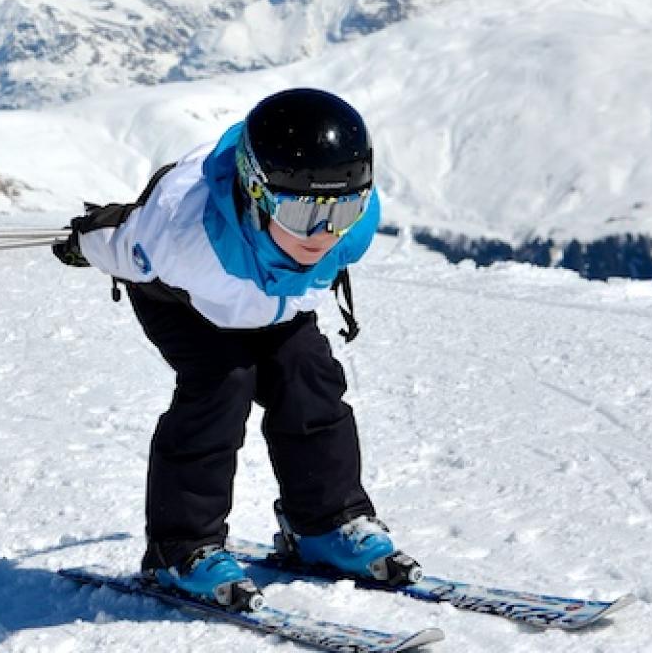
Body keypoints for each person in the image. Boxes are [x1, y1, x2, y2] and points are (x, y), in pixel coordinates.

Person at [51, 88, 414, 610]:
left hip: (270, 300)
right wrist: (82, 241)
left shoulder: (346, 231)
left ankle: (325, 524)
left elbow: (321, 226)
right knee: (223, 384)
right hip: (185, 302)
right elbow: (123, 237)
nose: (324, 234)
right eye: (301, 213)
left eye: (345, 208)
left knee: (307, 377)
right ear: (258, 193)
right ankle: (181, 548)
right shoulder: (180, 234)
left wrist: (316, 221)